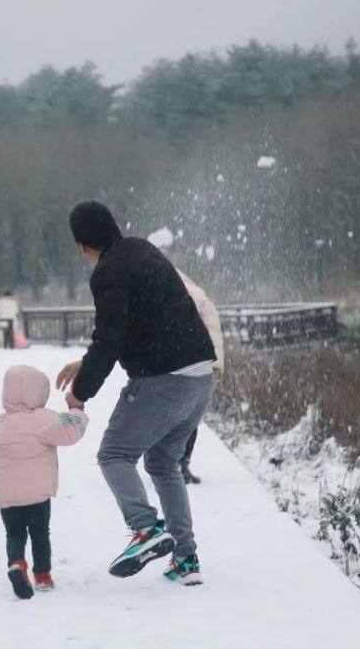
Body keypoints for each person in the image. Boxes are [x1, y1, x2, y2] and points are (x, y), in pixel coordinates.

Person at [56, 200, 216, 586]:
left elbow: (109, 339)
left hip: (164, 380)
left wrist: (81, 393)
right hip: (200, 376)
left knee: (114, 453)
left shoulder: (107, 273)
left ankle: (145, 529)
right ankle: (185, 559)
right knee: (162, 463)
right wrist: (87, 364)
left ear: (81, 245)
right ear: (115, 226)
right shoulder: (143, 250)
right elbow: (141, 322)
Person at [0, 365, 89, 599]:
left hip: (7, 496)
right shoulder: (44, 419)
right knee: (40, 533)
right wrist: (77, 409)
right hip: (37, 494)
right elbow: (70, 432)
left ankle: (17, 563)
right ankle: (42, 575)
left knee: (14, 534)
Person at [174, 269, 225, 485]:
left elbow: (211, 331)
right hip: (197, 365)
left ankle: (177, 462)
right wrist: (215, 365)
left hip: (186, 364)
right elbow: (213, 332)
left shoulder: (187, 296)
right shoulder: (198, 297)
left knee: (180, 417)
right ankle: (180, 462)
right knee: (189, 418)